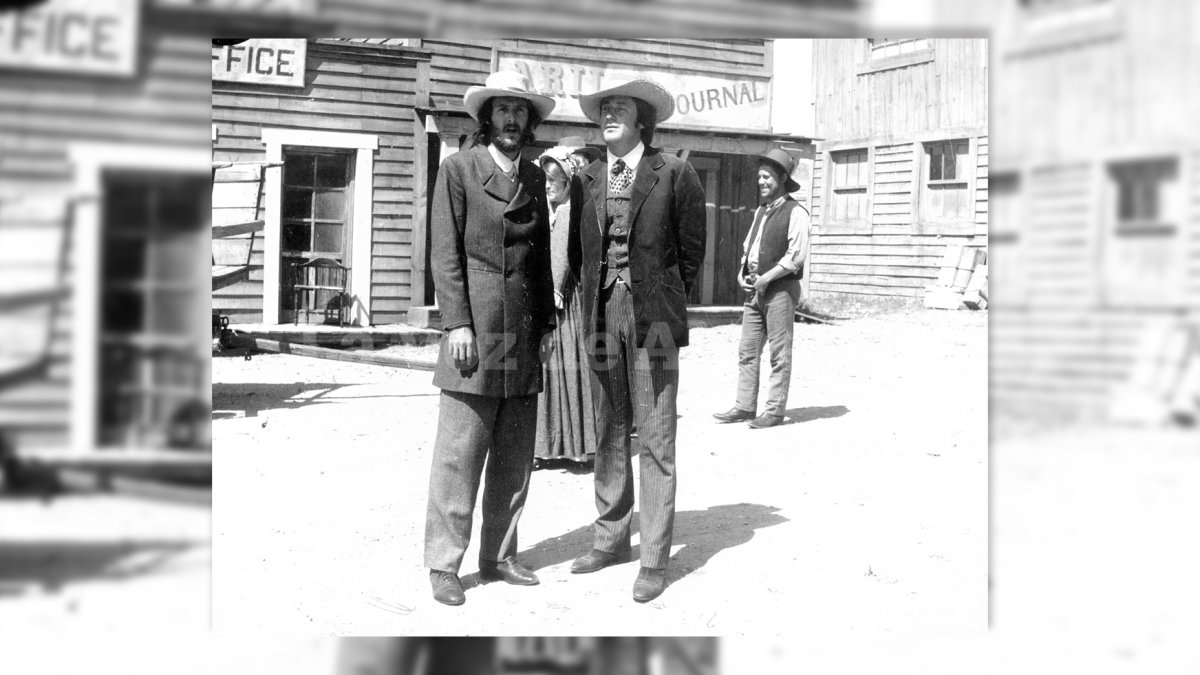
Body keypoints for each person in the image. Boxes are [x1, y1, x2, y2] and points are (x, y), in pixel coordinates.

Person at [567, 79, 706, 602]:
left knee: (656, 435)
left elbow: (692, 251)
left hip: (655, 318)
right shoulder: (588, 177)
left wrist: (663, 299)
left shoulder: (674, 172)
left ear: (642, 120)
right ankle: (610, 538)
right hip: (602, 312)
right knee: (609, 428)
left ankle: (653, 558)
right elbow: (582, 254)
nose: (608, 115)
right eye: (603, 109)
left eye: (619, 108)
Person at [423, 70, 556, 606]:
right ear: (487, 118)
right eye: (503, 110)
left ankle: (499, 554)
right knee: (459, 451)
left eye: (521, 112)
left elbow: (542, 259)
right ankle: (443, 564)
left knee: (514, 453)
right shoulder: (457, 171)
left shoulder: (536, 179)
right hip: (473, 332)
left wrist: (545, 324)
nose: (512, 120)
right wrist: (455, 322)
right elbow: (445, 252)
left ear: (528, 123)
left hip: (522, 332)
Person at [712, 148, 810, 429]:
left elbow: (795, 257)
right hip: (756, 290)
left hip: (780, 290)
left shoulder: (796, 212)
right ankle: (744, 406)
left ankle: (774, 411)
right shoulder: (761, 211)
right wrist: (742, 274)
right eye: (759, 177)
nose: (761, 182)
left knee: (779, 354)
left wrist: (767, 278)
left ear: (781, 178)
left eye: (767, 176)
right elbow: (748, 248)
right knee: (747, 350)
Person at [534, 137, 603, 466]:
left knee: (558, 366)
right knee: (562, 369)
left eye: (553, 181)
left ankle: (562, 444)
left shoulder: (566, 210)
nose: (548, 186)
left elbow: (559, 259)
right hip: (564, 297)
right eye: (545, 180)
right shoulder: (556, 209)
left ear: (566, 182)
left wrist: (554, 294)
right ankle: (570, 443)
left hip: (562, 300)